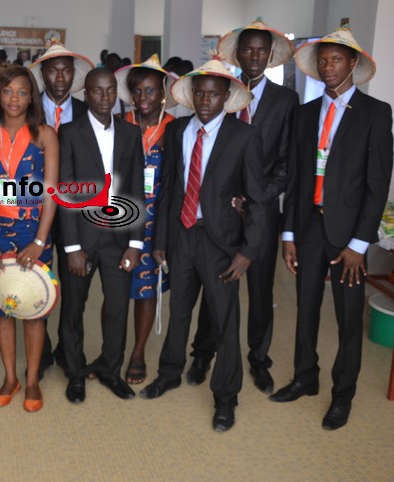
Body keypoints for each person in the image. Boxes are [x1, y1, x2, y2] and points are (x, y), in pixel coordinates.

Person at [271, 27, 393, 430]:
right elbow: (296, 180)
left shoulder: (376, 114)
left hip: (349, 238)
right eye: (322, 60)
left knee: (346, 319)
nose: (328, 66)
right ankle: (306, 378)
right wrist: (288, 235)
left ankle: (343, 395)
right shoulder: (304, 114)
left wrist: (360, 244)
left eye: (336, 59)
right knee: (305, 309)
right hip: (307, 229)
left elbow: (377, 187)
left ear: (353, 64)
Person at [139, 58, 265, 432]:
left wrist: (247, 251)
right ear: (191, 95)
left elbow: (257, 198)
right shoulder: (177, 130)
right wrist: (161, 238)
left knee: (225, 321)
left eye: (214, 94)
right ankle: (169, 373)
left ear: (227, 97)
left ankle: (226, 397)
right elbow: (170, 189)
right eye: (200, 93)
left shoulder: (243, 137)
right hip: (181, 235)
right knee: (179, 311)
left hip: (222, 241)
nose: (206, 100)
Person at [187, 19, 299, 394]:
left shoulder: (285, 101)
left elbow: (286, 161)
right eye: (247, 50)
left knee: (261, 289)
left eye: (261, 51)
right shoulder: (223, 93)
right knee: (213, 283)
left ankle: (258, 358)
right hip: (217, 211)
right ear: (237, 54)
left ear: (270, 55)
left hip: (262, 211)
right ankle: (202, 352)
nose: (254, 56)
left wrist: (256, 197)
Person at [0, 65, 59, 412]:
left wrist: (39, 240)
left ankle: (33, 378)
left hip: (32, 234)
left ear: (31, 97)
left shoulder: (44, 134)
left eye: (22, 92)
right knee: (3, 308)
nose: (14, 99)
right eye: (8, 91)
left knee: (34, 311)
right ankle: (11, 377)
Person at [58, 68, 145, 404]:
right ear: (86, 93)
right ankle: (76, 372)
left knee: (117, 307)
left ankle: (110, 369)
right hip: (82, 237)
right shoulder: (70, 132)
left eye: (111, 91)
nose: (105, 97)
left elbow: (136, 186)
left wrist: (136, 243)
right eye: (98, 91)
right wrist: (72, 247)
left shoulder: (129, 132)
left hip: (120, 237)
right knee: (73, 308)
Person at [29, 40, 93, 377]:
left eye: (67, 70)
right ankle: (39, 354)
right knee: (37, 280)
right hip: (32, 209)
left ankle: (69, 350)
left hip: (72, 213)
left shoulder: (86, 111)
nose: (60, 76)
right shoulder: (27, 109)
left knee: (73, 288)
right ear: (42, 73)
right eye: (53, 69)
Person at [114, 55, 175, 384]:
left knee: (147, 290)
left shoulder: (173, 129)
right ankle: (113, 352)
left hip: (157, 222)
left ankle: (137, 352)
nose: (143, 98)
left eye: (150, 91)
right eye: (137, 91)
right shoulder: (119, 123)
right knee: (116, 289)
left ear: (163, 94)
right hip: (119, 218)